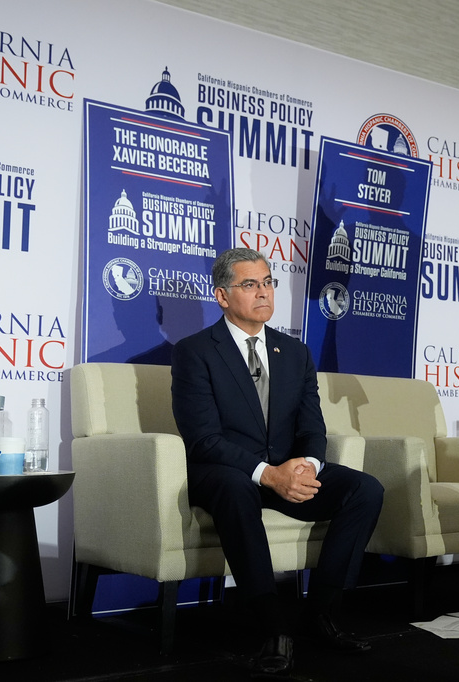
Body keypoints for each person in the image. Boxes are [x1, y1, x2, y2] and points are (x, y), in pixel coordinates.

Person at [170, 248, 384, 674]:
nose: (263, 292)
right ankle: (272, 627)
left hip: (284, 471)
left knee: (365, 488)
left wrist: (305, 464)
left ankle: (322, 612)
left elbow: (313, 427)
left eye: (268, 282)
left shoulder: (295, 352)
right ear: (222, 296)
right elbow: (203, 439)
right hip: (227, 472)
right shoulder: (195, 352)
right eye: (250, 284)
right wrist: (267, 474)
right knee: (234, 489)